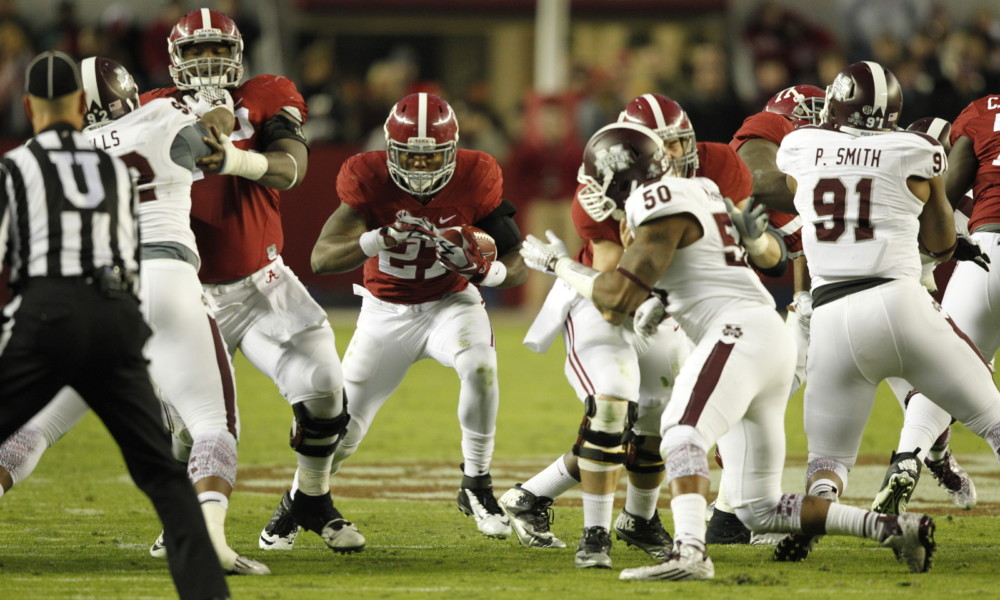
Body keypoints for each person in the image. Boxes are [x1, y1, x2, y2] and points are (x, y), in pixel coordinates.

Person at [521, 120, 935, 581]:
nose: (592, 191)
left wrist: (556, 264)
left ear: (619, 177)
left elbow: (618, 297)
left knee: (681, 434)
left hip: (735, 331)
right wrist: (661, 301)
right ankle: (892, 527)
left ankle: (690, 551)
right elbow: (691, 268)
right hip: (768, 336)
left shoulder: (651, 200)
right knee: (760, 507)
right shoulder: (699, 188)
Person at [0, 56, 270, 575]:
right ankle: (211, 539)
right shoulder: (159, 117)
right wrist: (215, 110)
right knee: (214, 422)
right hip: (165, 280)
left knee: (37, 426)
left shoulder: (38, 155)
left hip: (87, 297)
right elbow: (215, 149)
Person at [137, 8, 363, 555]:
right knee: (190, 428)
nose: (208, 61)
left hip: (262, 284)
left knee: (326, 387)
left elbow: (291, 168)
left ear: (238, 56)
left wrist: (235, 159)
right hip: (187, 291)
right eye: (195, 51)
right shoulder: (150, 109)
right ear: (174, 60)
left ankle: (311, 498)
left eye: (218, 49)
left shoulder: (266, 94)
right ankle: (183, 518)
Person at [504, 93, 754, 568]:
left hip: (669, 300)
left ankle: (617, 514)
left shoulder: (718, 165)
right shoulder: (600, 191)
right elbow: (616, 293)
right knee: (614, 403)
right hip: (603, 300)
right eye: (663, 147)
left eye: (681, 143)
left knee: (663, 415)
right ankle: (594, 535)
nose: (676, 157)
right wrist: (561, 264)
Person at [270, 91, 527, 541]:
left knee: (481, 367)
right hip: (385, 313)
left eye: (433, 159)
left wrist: (486, 270)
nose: (421, 169)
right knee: (343, 435)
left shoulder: (476, 174)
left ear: (452, 152)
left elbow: (517, 260)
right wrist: (378, 239)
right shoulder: (367, 178)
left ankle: (477, 484)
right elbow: (321, 259)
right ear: (389, 150)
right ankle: (299, 499)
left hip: (452, 302)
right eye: (411, 157)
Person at [771, 60, 1000, 565]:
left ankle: (825, 513)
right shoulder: (915, 151)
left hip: (832, 317)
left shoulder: (802, 145)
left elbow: (801, 192)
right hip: (901, 305)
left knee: (826, 465)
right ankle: (927, 458)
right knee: (993, 421)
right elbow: (940, 243)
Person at [705, 84, 826, 545]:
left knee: (758, 394)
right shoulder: (770, 133)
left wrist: (801, 300)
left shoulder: (804, 186)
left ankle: (728, 517)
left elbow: (794, 247)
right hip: (712, 299)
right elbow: (757, 178)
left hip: (762, 299)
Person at [870, 108, 999, 516]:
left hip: (971, 265)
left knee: (945, 376)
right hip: (897, 296)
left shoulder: (978, 123)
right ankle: (932, 455)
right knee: (950, 374)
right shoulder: (905, 195)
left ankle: (913, 456)